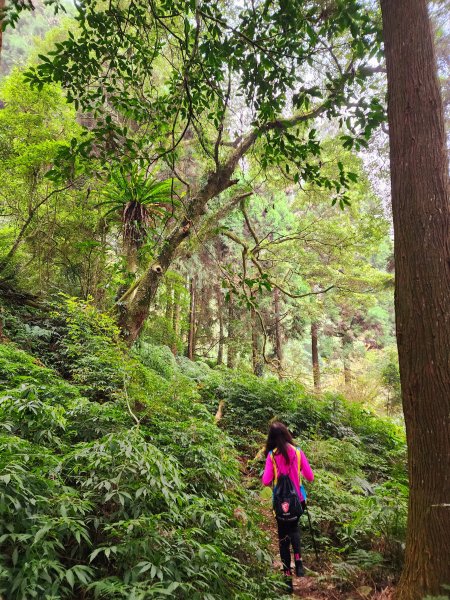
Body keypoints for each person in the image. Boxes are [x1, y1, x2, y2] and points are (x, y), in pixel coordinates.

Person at [262, 421, 314, 593]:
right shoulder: (297, 453)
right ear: (286, 434)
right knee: (294, 530)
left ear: (271, 438)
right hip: (298, 501)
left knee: (283, 539)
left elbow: (266, 480)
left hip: (280, 504)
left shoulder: (272, 455)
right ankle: (299, 562)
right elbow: (310, 476)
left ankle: (287, 578)